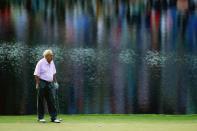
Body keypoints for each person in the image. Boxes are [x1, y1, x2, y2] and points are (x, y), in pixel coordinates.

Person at [34, 49, 61, 123]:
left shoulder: (52, 62)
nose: (52, 56)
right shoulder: (40, 62)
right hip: (42, 82)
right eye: (51, 55)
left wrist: (55, 82)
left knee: (51, 100)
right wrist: (37, 83)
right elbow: (36, 74)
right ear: (46, 56)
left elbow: (54, 73)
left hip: (50, 83)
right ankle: (40, 117)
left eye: (52, 55)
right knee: (41, 100)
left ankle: (54, 117)